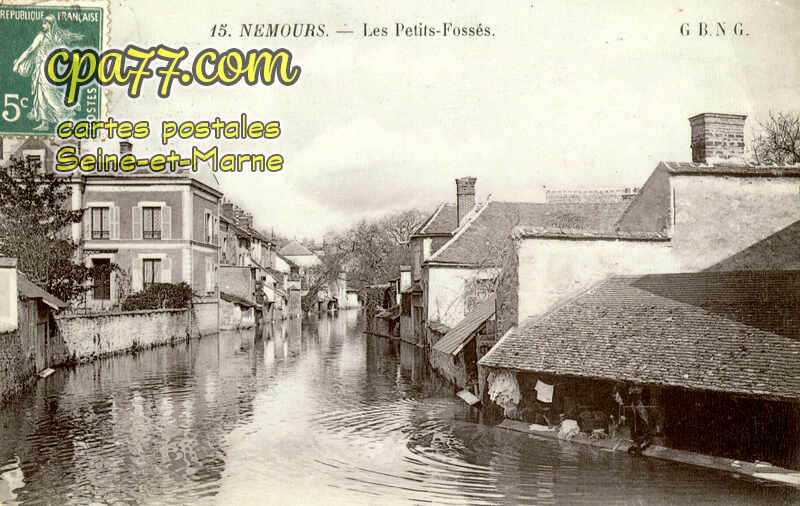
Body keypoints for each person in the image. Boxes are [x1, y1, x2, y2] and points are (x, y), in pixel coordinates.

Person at [12, 15, 83, 131]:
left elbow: (30, 49)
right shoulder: (57, 37)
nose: (42, 26)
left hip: (44, 69)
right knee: (41, 94)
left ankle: (66, 114)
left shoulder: (43, 36)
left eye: (45, 24)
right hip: (48, 69)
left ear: (50, 24)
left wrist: (17, 63)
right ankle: (45, 123)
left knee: (48, 93)